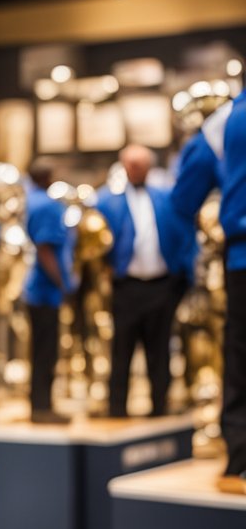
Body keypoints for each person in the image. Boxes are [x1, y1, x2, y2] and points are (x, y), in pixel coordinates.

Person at [171, 87, 246, 492]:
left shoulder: (221, 123)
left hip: (240, 258)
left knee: (239, 359)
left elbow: (184, 199)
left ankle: (239, 462)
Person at [96, 144, 193, 418]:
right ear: (123, 166)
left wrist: (182, 276)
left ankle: (159, 408)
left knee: (159, 350)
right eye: (131, 164)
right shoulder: (106, 200)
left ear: (149, 166)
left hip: (162, 285)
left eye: (140, 164)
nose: (135, 169)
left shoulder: (166, 197)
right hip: (126, 285)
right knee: (122, 350)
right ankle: (117, 410)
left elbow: (183, 233)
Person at [22, 158, 74, 423]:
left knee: (43, 350)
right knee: (46, 352)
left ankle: (41, 405)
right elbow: (45, 249)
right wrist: (63, 283)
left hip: (40, 290)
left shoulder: (34, 200)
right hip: (44, 291)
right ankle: (42, 408)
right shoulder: (47, 206)